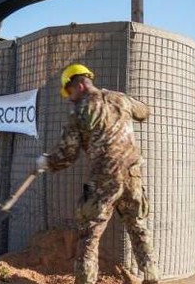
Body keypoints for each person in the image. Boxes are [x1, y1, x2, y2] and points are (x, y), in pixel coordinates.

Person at [36, 63, 159, 284]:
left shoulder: (79, 111)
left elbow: (68, 154)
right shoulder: (120, 98)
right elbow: (144, 112)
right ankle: (151, 275)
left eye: (70, 91)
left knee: (89, 236)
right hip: (133, 176)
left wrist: (47, 161)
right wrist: (125, 107)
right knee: (138, 227)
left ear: (80, 84)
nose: (70, 97)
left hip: (104, 180)